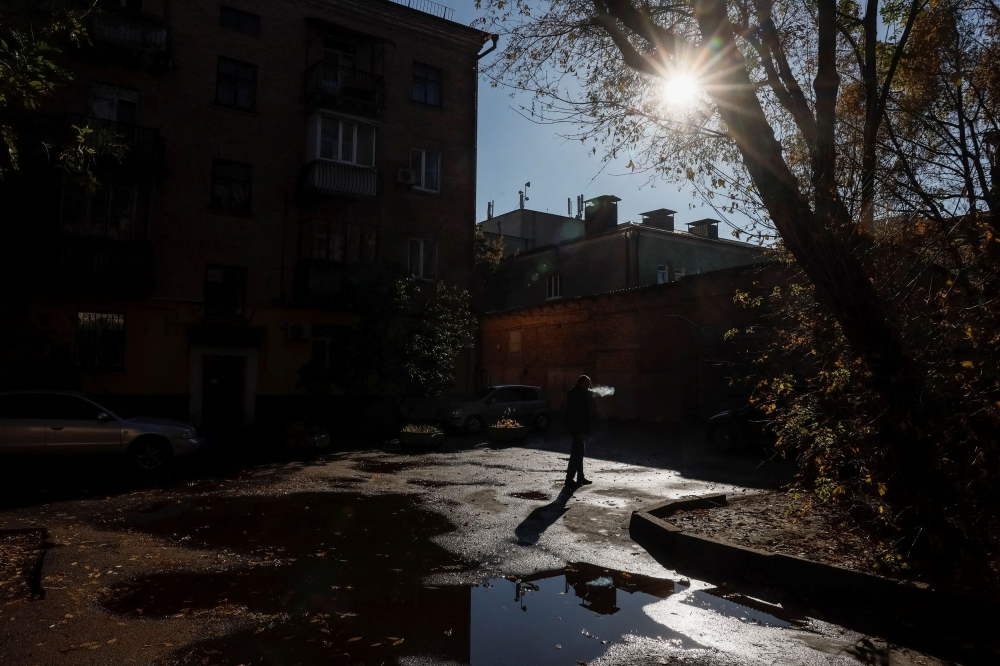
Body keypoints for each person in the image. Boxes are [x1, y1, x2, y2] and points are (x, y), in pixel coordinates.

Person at [564, 375, 594, 486]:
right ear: (582, 383)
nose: (589, 386)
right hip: (577, 428)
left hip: (577, 428)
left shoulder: (577, 392)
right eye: (588, 384)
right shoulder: (578, 394)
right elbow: (579, 414)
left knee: (579, 453)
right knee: (576, 455)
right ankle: (569, 480)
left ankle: (580, 477)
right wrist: (581, 431)